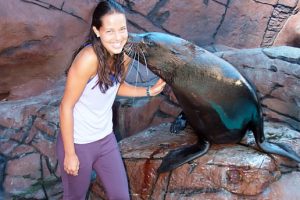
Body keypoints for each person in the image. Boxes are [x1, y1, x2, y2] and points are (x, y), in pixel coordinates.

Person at [56, 1, 166, 199]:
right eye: (110, 31)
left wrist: (149, 91)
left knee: (121, 196)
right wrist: (70, 154)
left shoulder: (123, 54)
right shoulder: (87, 59)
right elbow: (66, 106)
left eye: (122, 29)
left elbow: (114, 87)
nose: (118, 37)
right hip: (79, 143)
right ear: (97, 31)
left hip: (106, 140)